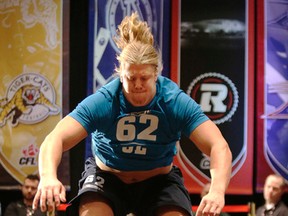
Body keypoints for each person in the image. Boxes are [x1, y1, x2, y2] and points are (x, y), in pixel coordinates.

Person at [32, 12, 232, 216]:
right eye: (130, 78)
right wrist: (48, 177)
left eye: (144, 78)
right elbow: (55, 138)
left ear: (156, 74)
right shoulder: (106, 99)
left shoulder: (173, 101)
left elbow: (218, 146)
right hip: (108, 178)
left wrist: (217, 191)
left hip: (158, 182)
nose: (137, 85)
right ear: (120, 74)